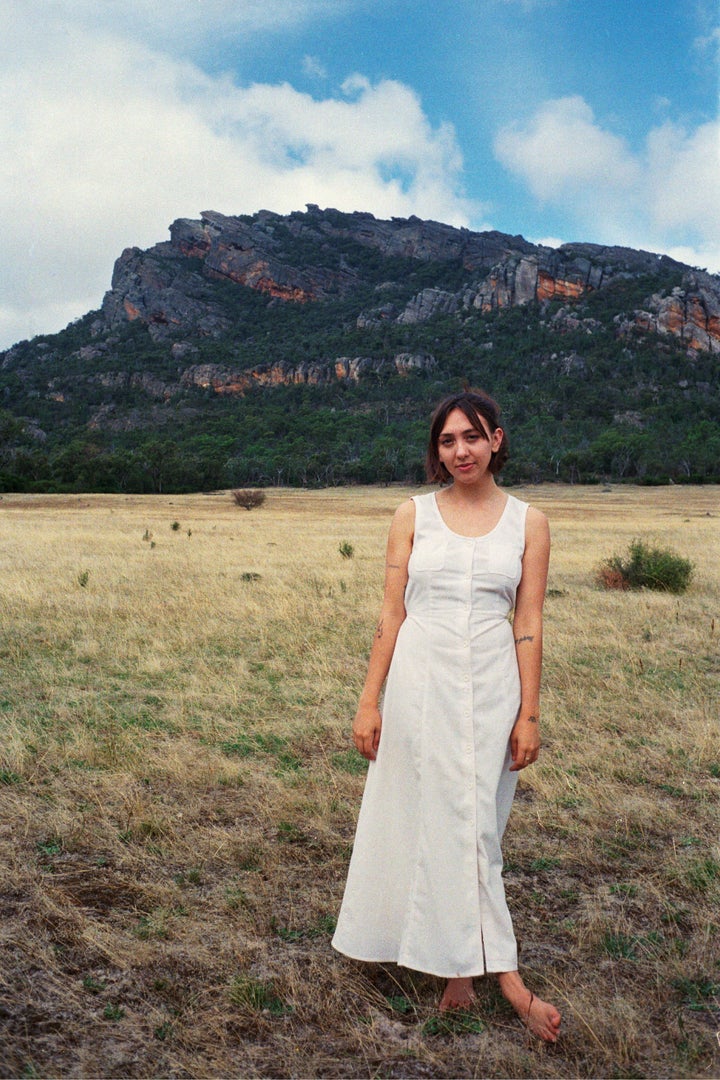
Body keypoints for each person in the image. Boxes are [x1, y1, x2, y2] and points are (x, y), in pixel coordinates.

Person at [332, 389, 562, 1043]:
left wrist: (530, 714)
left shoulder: (529, 522)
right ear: (437, 450)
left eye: (471, 436)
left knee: (478, 826)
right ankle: (479, 975)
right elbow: (392, 614)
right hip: (419, 684)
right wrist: (369, 701)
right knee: (430, 819)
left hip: (493, 688)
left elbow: (529, 621)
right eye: (446, 440)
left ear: (497, 439)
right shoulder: (413, 515)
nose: (460, 450)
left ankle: (486, 976)